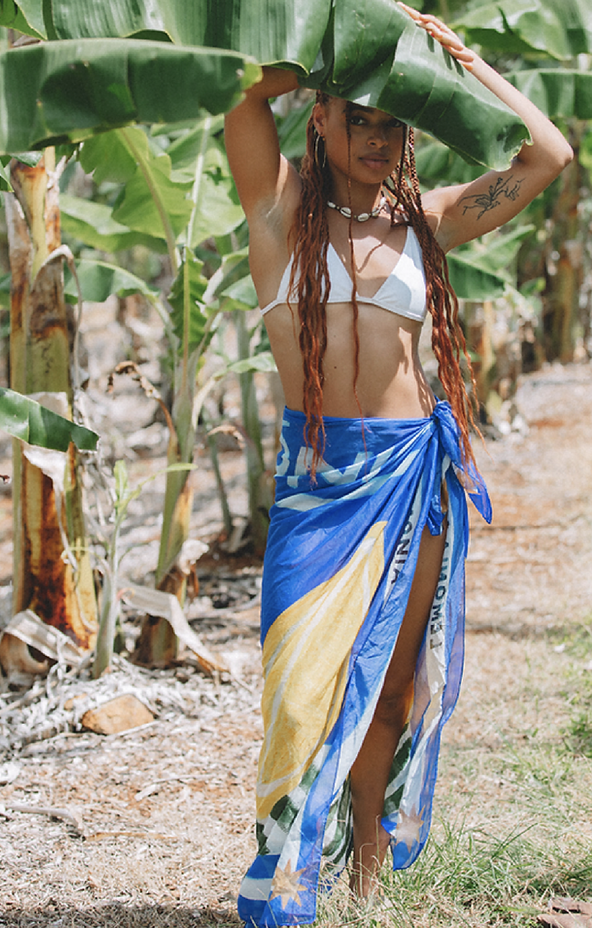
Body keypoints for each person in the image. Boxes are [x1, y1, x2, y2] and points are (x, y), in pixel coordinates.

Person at [224, 6, 573, 926]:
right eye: (361, 118)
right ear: (322, 119)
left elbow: (549, 156)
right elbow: (245, 103)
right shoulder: (279, 212)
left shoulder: (427, 222)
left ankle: (367, 880)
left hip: (412, 472)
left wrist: (464, 61)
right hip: (319, 482)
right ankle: (291, 869)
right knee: (298, 696)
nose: (380, 139)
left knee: (390, 682)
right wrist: (344, 44)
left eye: (394, 122)